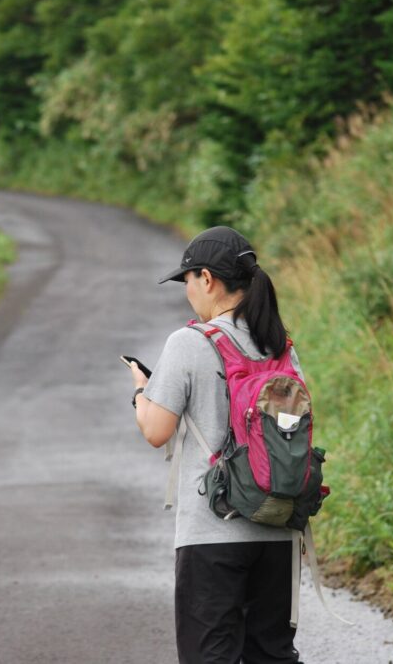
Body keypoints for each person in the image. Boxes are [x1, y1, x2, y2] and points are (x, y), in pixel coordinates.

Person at [126, 225, 305, 664]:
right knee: (271, 656)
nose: (187, 290)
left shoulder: (188, 343)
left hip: (211, 533)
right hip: (277, 527)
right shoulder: (279, 346)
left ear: (207, 279)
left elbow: (155, 431)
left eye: (186, 279)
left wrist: (140, 393)